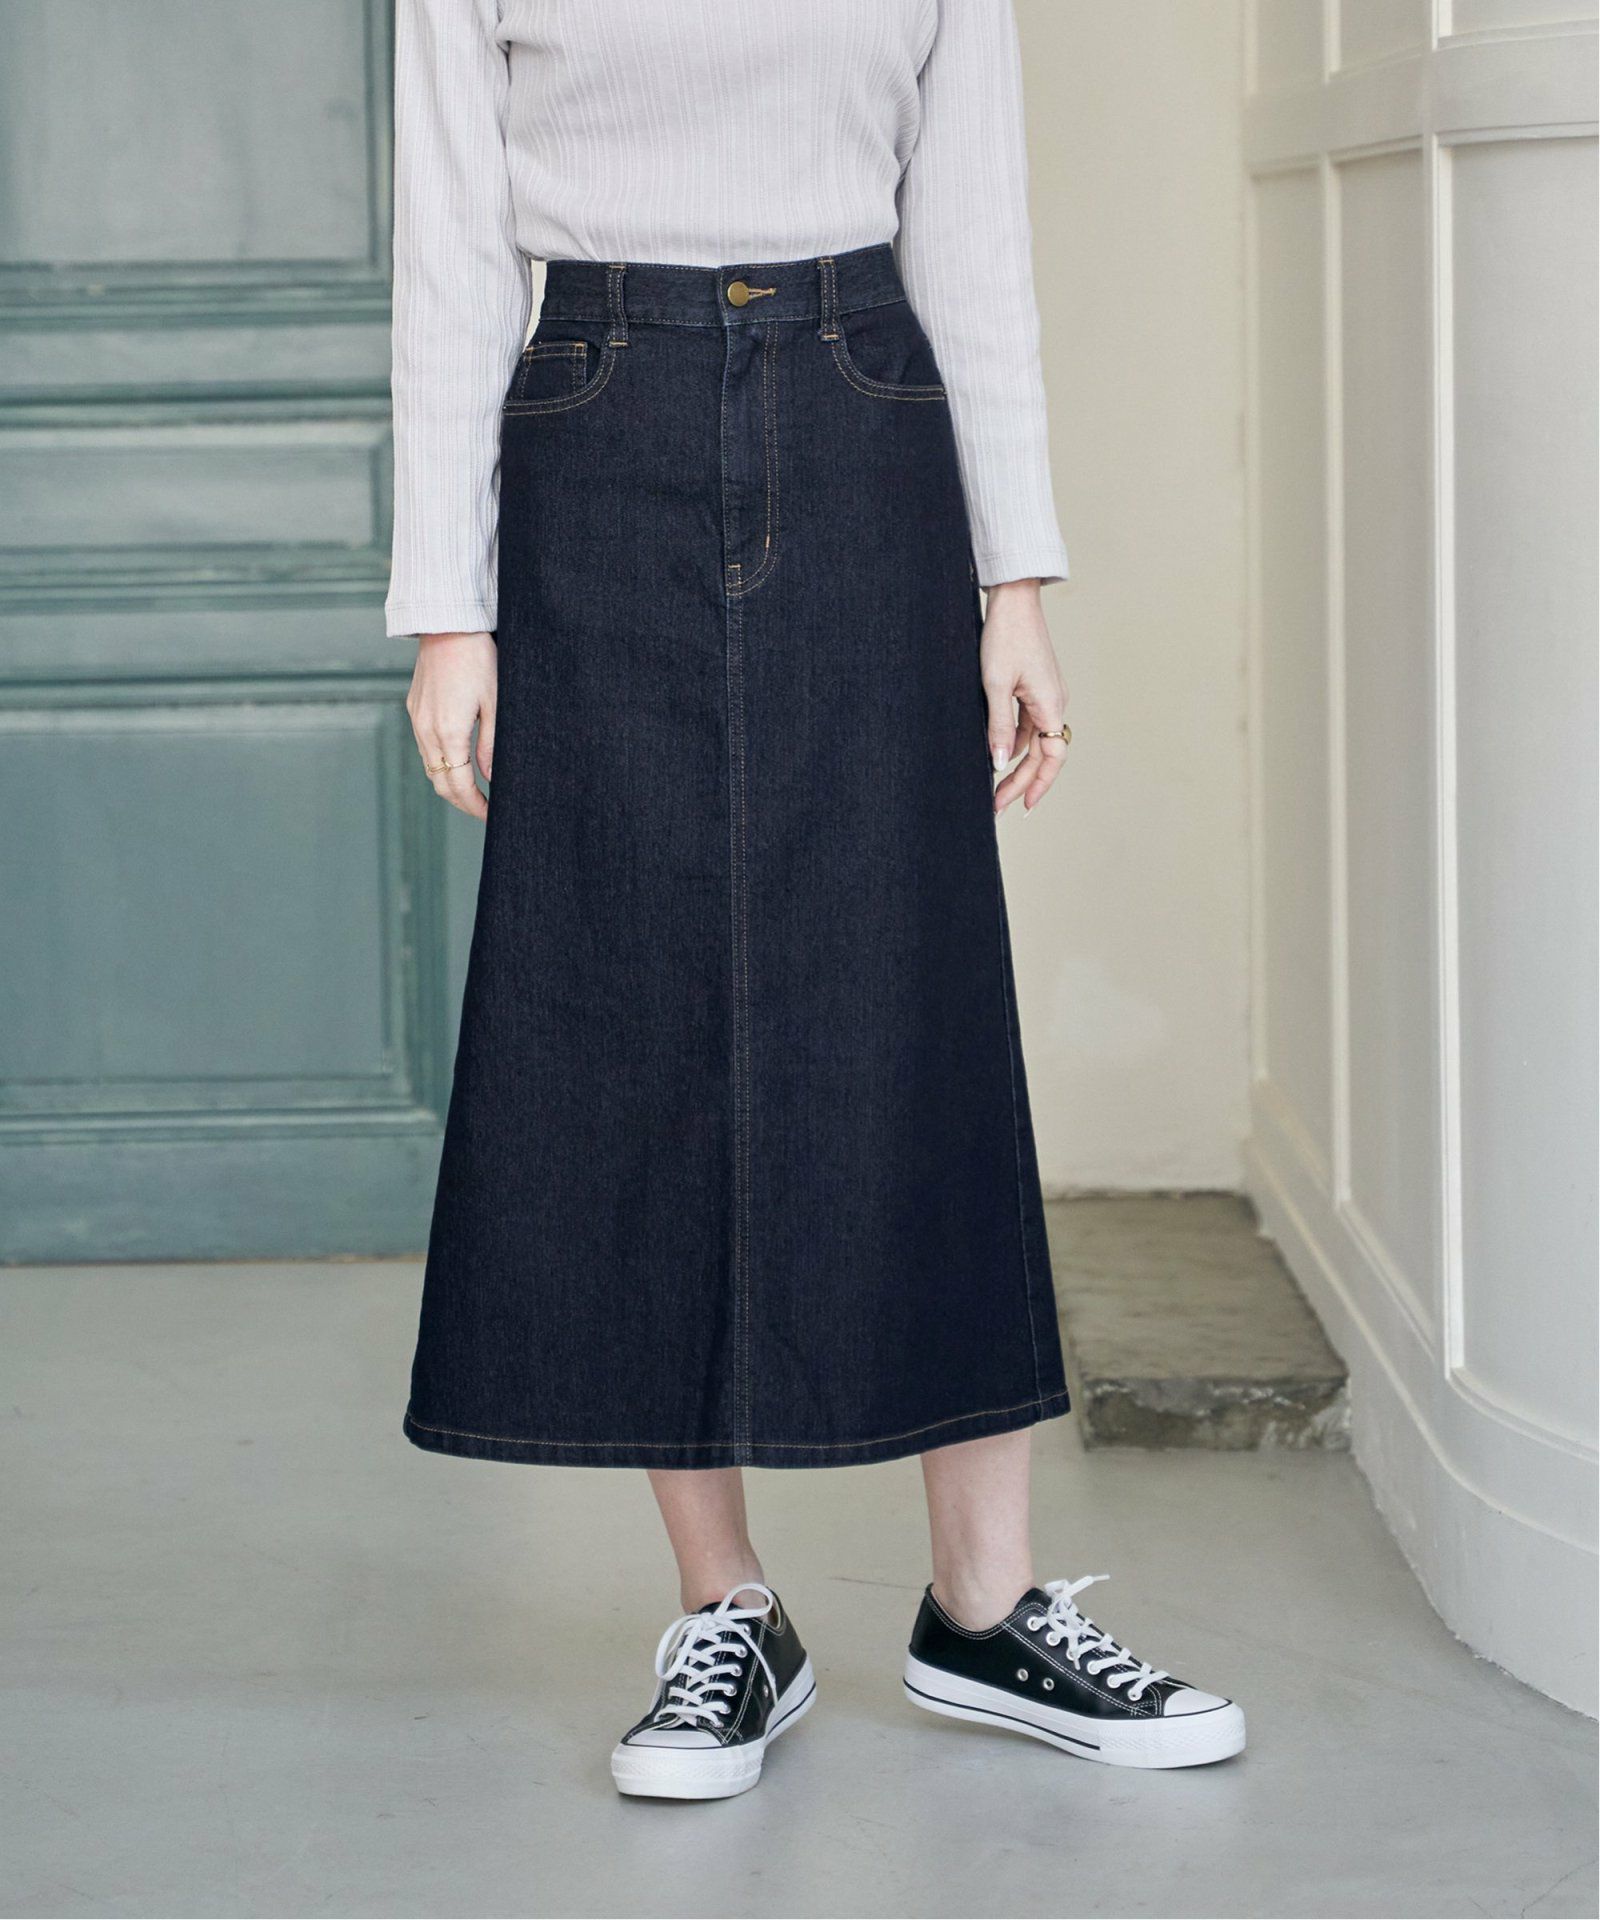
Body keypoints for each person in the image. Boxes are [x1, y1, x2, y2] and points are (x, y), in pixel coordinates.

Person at [387, 0, 1244, 1800]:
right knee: (627, 997)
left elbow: (973, 231)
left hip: (869, 408)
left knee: (911, 995)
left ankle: (985, 1605)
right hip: (595, 407)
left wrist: (1017, 578)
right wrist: (448, 608)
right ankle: (728, 1609)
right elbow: (452, 247)